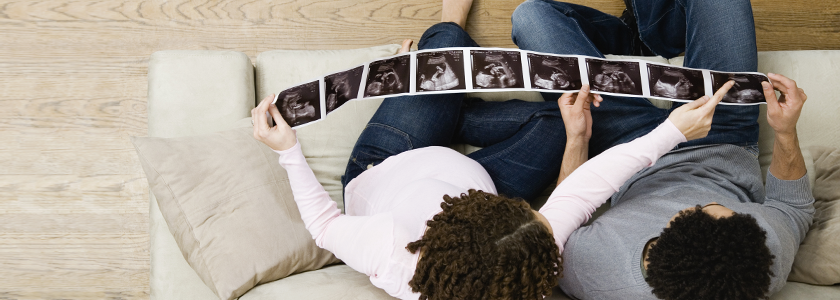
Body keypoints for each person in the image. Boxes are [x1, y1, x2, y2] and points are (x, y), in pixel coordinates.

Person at [251, 0, 737, 299]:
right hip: (478, 174)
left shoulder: (388, 251)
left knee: (444, 48)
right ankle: (439, 102)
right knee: (559, 116)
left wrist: (288, 149)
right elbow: (588, 189)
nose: (544, 213)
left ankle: (438, 69)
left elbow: (323, 227)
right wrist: (664, 130)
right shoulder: (526, 261)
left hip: (391, 162)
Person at [510, 0, 814, 299]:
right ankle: (649, 35)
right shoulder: (760, 261)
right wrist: (786, 130)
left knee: (532, 17)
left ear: (661, 237)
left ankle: (633, 38)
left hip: (627, 146)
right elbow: (795, 208)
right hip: (722, 134)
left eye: (700, 207)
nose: (700, 198)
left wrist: (577, 137)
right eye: (724, 207)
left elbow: (561, 217)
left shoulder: (597, 274)